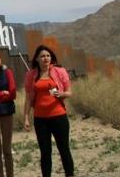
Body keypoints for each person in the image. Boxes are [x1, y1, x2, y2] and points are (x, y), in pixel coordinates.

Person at [23, 45, 75, 177]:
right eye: (42, 56)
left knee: (64, 149)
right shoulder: (31, 75)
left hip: (59, 116)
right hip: (40, 119)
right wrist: (26, 118)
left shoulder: (59, 71)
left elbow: (69, 93)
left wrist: (61, 94)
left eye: (48, 56)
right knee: (45, 152)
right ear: (37, 59)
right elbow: (28, 97)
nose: (45, 58)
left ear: (51, 58)